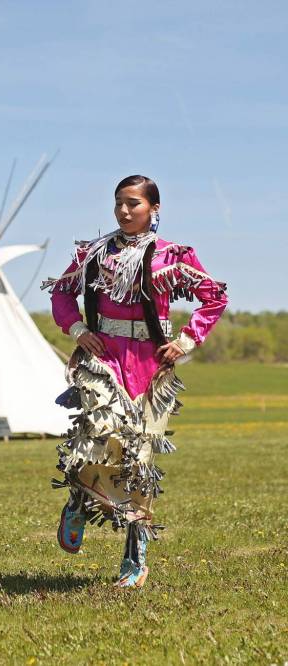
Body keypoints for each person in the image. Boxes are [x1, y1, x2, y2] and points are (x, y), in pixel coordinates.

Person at [42, 175, 227, 589]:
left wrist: (186, 340)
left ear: (154, 209)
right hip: (104, 357)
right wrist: (75, 329)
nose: (124, 212)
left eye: (133, 204)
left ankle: (135, 557)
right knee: (97, 437)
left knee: (139, 459)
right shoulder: (94, 254)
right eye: (118, 204)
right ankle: (78, 499)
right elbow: (61, 293)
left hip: (151, 365)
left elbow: (214, 297)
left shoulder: (171, 256)